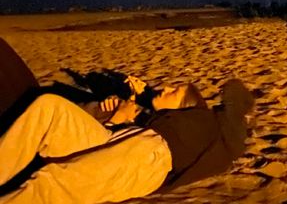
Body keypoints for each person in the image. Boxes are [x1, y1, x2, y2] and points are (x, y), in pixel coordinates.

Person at [0, 79, 254, 203]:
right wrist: (115, 118)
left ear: (188, 106)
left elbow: (235, 117)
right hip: (122, 139)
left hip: (149, 156)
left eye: (173, 91)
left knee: (53, 182)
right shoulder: (156, 120)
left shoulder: (210, 127)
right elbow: (112, 145)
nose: (164, 88)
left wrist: (228, 98)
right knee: (49, 108)